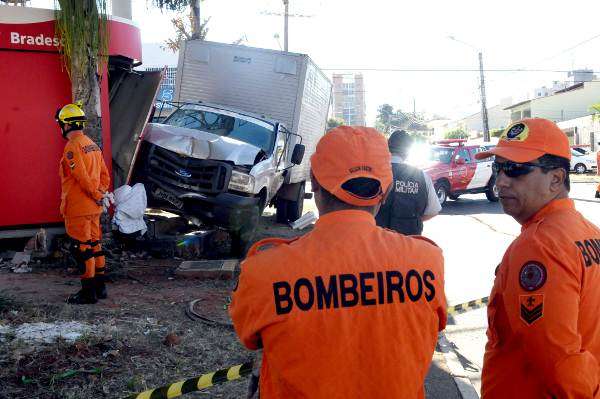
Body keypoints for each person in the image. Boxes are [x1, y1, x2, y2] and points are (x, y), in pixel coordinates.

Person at [229, 126, 447, 398]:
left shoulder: (264, 271)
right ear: (386, 188)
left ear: (314, 182)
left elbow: (249, 337)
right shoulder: (427, 262)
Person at [475, 118, 600, 398]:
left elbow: (560, 360)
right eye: (499, 168)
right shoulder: (588, 233)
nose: (501, 180)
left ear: (556, 179)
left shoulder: (539, 245)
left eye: (516, 169)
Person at [55, 102, 110, 304]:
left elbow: (81, 177)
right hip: (93, 208)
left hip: (79, 207)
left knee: (82, 248)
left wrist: (95, 194)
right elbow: (104, 175)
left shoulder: (72, 147)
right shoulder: (92, 144)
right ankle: (100, 288)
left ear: (66, 125)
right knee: (95, 245)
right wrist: (100, 194)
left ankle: (88, 294)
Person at [376, 130, 441, 234]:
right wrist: (409, 222)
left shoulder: (374, 173)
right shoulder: (422, 176)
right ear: (408, 152)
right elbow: (433, 211)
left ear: (387, 147)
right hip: (410, 242)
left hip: (378, 242)